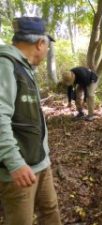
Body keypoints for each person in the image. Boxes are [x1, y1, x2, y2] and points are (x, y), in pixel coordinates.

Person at [0, 17, 61, 225]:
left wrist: (45, 157)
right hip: (19, 170)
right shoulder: (5, 65)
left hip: (40, 162)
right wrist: (14, 162)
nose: (46, 50)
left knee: (50, 211)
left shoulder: (25, 68)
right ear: (40, 43)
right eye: (47, 45)